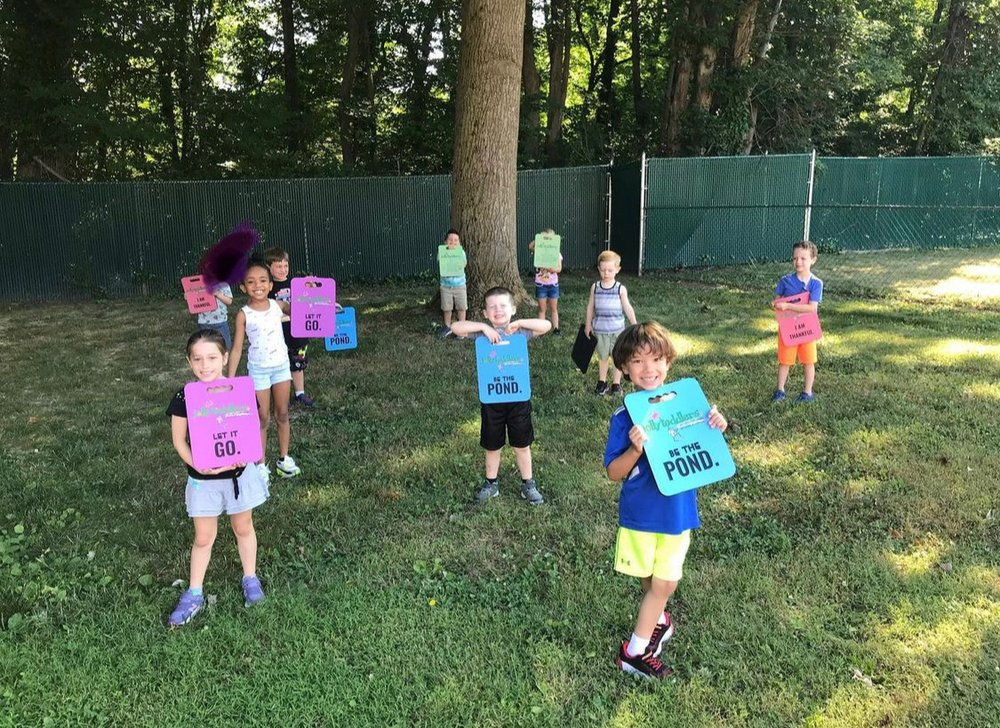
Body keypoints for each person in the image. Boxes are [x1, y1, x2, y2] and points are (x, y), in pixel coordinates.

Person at [605, 322, 728, 678]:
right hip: (641, 515)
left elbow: (708, 451)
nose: (648, 369)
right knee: (649, 577)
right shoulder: (624, 417)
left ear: (669, 362)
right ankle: (657, 620)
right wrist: (634, 448)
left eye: (656, 359)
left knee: (664, 584)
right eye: (638, 361)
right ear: (625, 368)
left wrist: (714, 424)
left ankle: (635, 649)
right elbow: (614, 472)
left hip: (677, 513)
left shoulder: (688, 409)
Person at [166, 329, 269, 627]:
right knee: (203, 537)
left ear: (224, 358)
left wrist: (247, 455)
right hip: (204, 481)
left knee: (243, 526)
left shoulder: (241, 392)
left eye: (212, 357)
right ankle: (194, 592)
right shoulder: (185, 396)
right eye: (197, 359)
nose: (205, 365)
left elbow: (250, 431)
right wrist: (198, 464)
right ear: (189, 362)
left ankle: (250, 578)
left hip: (239, 476)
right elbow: (179, 441)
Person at [450, 287, 552, 505]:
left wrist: (521, 323)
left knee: (522, 445)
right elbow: (455, 327)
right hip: (492, 401)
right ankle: (491, 483)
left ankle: (528, 484)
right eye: (492, 307)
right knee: (492, 445)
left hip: (518, 400)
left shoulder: (520, 333)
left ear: (513, 309)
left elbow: (547, 325)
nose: (498, 310)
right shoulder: (482, 334)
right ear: (486, 313)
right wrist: (482, 328)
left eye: (503, 306)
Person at [228, 260, 302, 480]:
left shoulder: (278, 305)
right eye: (250, 282)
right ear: (242, 287)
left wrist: (325, 307)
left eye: (262, 281)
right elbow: (237, 349)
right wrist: (229, 380)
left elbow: (303, 309)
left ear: (271, 285)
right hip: (258, 371)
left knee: (283, 413)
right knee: (261, 417)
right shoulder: (243, 314)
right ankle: (260, 464)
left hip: (281, 368)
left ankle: (284, 459)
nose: (257, 286)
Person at [771, 240, 823, 403]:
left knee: (808, 360)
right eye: (795, 258)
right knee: (785, 360)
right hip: (789, 328)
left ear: (813, 260)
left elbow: (811, 308)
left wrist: (788, 306)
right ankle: (780, 390)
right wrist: (776, 305)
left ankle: (807, 392)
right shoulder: (785, 280)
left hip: (807, 329)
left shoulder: (816, 283)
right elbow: (777, 301)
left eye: (803, 258)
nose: (798, 262)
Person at [264, 246, 315, 407]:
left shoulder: (296, 284)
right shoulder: (266, 288)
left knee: (298, 363)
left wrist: (311, 288)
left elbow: (308, 301)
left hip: (298, 332)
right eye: (278, 266)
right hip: (277, 334)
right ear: (268, 268)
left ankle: (300, 393)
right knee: (280, 365)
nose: (283, 269)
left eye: (285, 265)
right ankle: (282, 397)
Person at [584, 250, 637, 396]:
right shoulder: (595, 287)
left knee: (617, 358)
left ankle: (616, 384)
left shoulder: (620, 289)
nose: (606, 273)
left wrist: (634, 324)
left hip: (617, 330)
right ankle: (602, 382)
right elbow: (590, 307)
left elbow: (627, 307)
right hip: (600, 330)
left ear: (617, 270)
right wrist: (588, 325)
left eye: (610, 270)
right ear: (599, 269)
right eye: (603, 270)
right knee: (602, 357)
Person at [527, 229, 563, 335]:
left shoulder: (557, 253)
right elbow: (530, 246)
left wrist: (551, 268)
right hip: (541, 285)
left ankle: (556, 328)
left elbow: (559, 269)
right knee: (542, 308)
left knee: (553, 308)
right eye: (545, 239)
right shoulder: (539, 250)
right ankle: (541, 330)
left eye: (550, 239)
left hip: (553, 285)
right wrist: (539, 240)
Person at [439, 228, 468, 337]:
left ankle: (462, 328)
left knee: (461, 307)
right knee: (447, 308)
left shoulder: (461, 252)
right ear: (445, 242)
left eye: (456, 240)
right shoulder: (443, 252)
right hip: (446, 286)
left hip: (460, 286)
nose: (453, 242)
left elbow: (464, 264)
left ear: (459, 242)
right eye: (450, 240)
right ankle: (447, 326)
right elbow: (441, 262)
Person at [194, 282, 233, 350]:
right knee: (205, 347)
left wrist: (218, 294)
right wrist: (188, 297)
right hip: (204, 323)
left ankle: (223, 359)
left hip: (221, 322)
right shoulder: (200, 285)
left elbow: (229, 301)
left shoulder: (224, 284)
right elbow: (194, 300)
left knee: (225, 346)